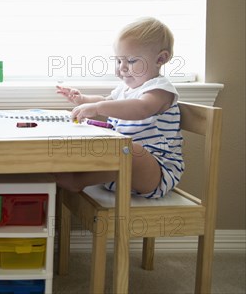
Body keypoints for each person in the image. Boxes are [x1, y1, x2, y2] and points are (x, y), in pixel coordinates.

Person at [55, 17, 183, 199]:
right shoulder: (125, 89)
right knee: (108, 146)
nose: (121, 68)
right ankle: (82, 174)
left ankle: (78, 180)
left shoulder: (160, 89)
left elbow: (142, 108)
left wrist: (98, 107)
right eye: (118, 61)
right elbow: (108, 101)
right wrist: (83, 100)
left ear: (160, 59)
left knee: (132, 150)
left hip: (155, 172)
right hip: (119, 169)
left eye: (130, 61)